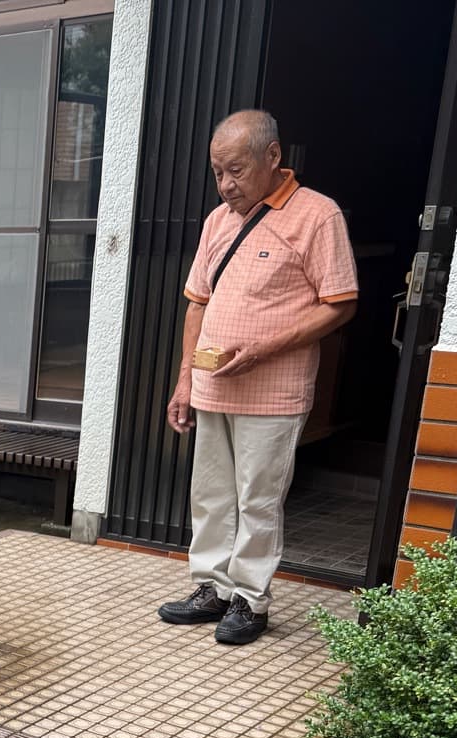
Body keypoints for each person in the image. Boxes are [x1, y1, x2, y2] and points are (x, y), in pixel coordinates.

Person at [159, 110, 358, 645]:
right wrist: (184, 382)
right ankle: (211, 587)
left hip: (274, 391)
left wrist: (263, 348)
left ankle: (249, 599)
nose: (226, 185)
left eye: (236, 170)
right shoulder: (217, 221)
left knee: (258, 498)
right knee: (210, 494)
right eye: (217, 172)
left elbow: (340, 303)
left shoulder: (317, 215)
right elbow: (197, 304)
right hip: (213, 386)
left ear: (273, 157)